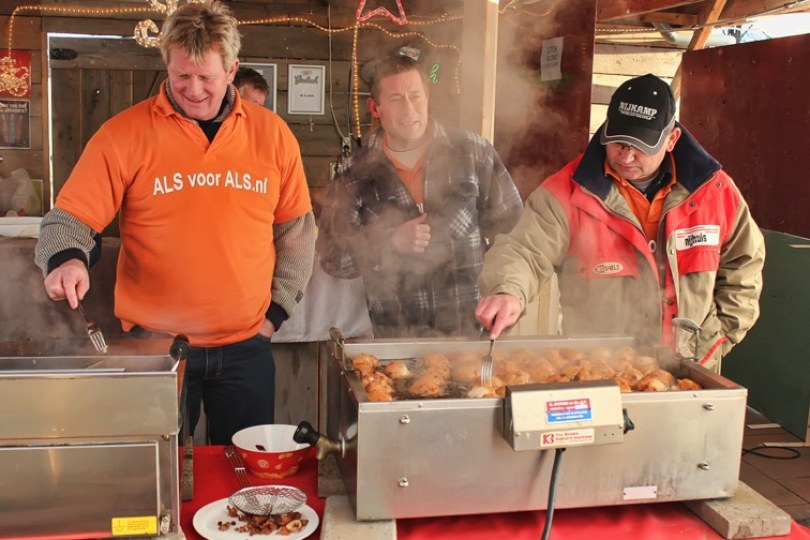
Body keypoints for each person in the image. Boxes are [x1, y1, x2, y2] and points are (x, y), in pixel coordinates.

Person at [34, 1, 315, 444]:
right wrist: (66, 259)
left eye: (207, 77)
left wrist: (276, 313)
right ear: (166, 63)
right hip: (155, 348)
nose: (195, 90)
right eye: (182, 76)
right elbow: (67, 218)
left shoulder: (273, 135)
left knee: (244, 479)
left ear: (232, 68)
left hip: (246, 348)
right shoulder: (123, 134)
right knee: (150, 478)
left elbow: (296, 232)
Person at [476, 74, 765, 373]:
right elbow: (525, 249)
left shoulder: (714, 192)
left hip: (690, 371)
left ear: (671, 140)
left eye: (641, 145)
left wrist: (714, 341)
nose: (626, 155)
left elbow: (744, 264)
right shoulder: (565, 193)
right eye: (618, 141)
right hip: (595, 372)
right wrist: (507, 290)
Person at [317, 55, 523, 338]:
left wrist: (506, 291)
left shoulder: (474, 152)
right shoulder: (353, 172)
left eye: (415, 96)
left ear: (427, 98)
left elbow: (515, 233)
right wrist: (388, 242)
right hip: (396, 339)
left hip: (475, 332)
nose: (409, 109)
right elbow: (332, 257)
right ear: (375, 108)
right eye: (396, 99)